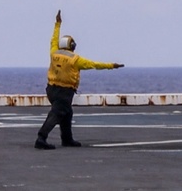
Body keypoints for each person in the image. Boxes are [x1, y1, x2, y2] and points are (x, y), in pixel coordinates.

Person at [35, 10, 124, 149]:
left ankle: (67, 139)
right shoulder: (75, 60)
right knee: (57, 113)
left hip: (51, 89)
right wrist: (112, 65)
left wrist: (57, 24)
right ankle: (41, 138)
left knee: (67, 113)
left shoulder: (54, 52)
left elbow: (53, 39)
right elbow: (95, 64)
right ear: (72, 46)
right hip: (64, 91)